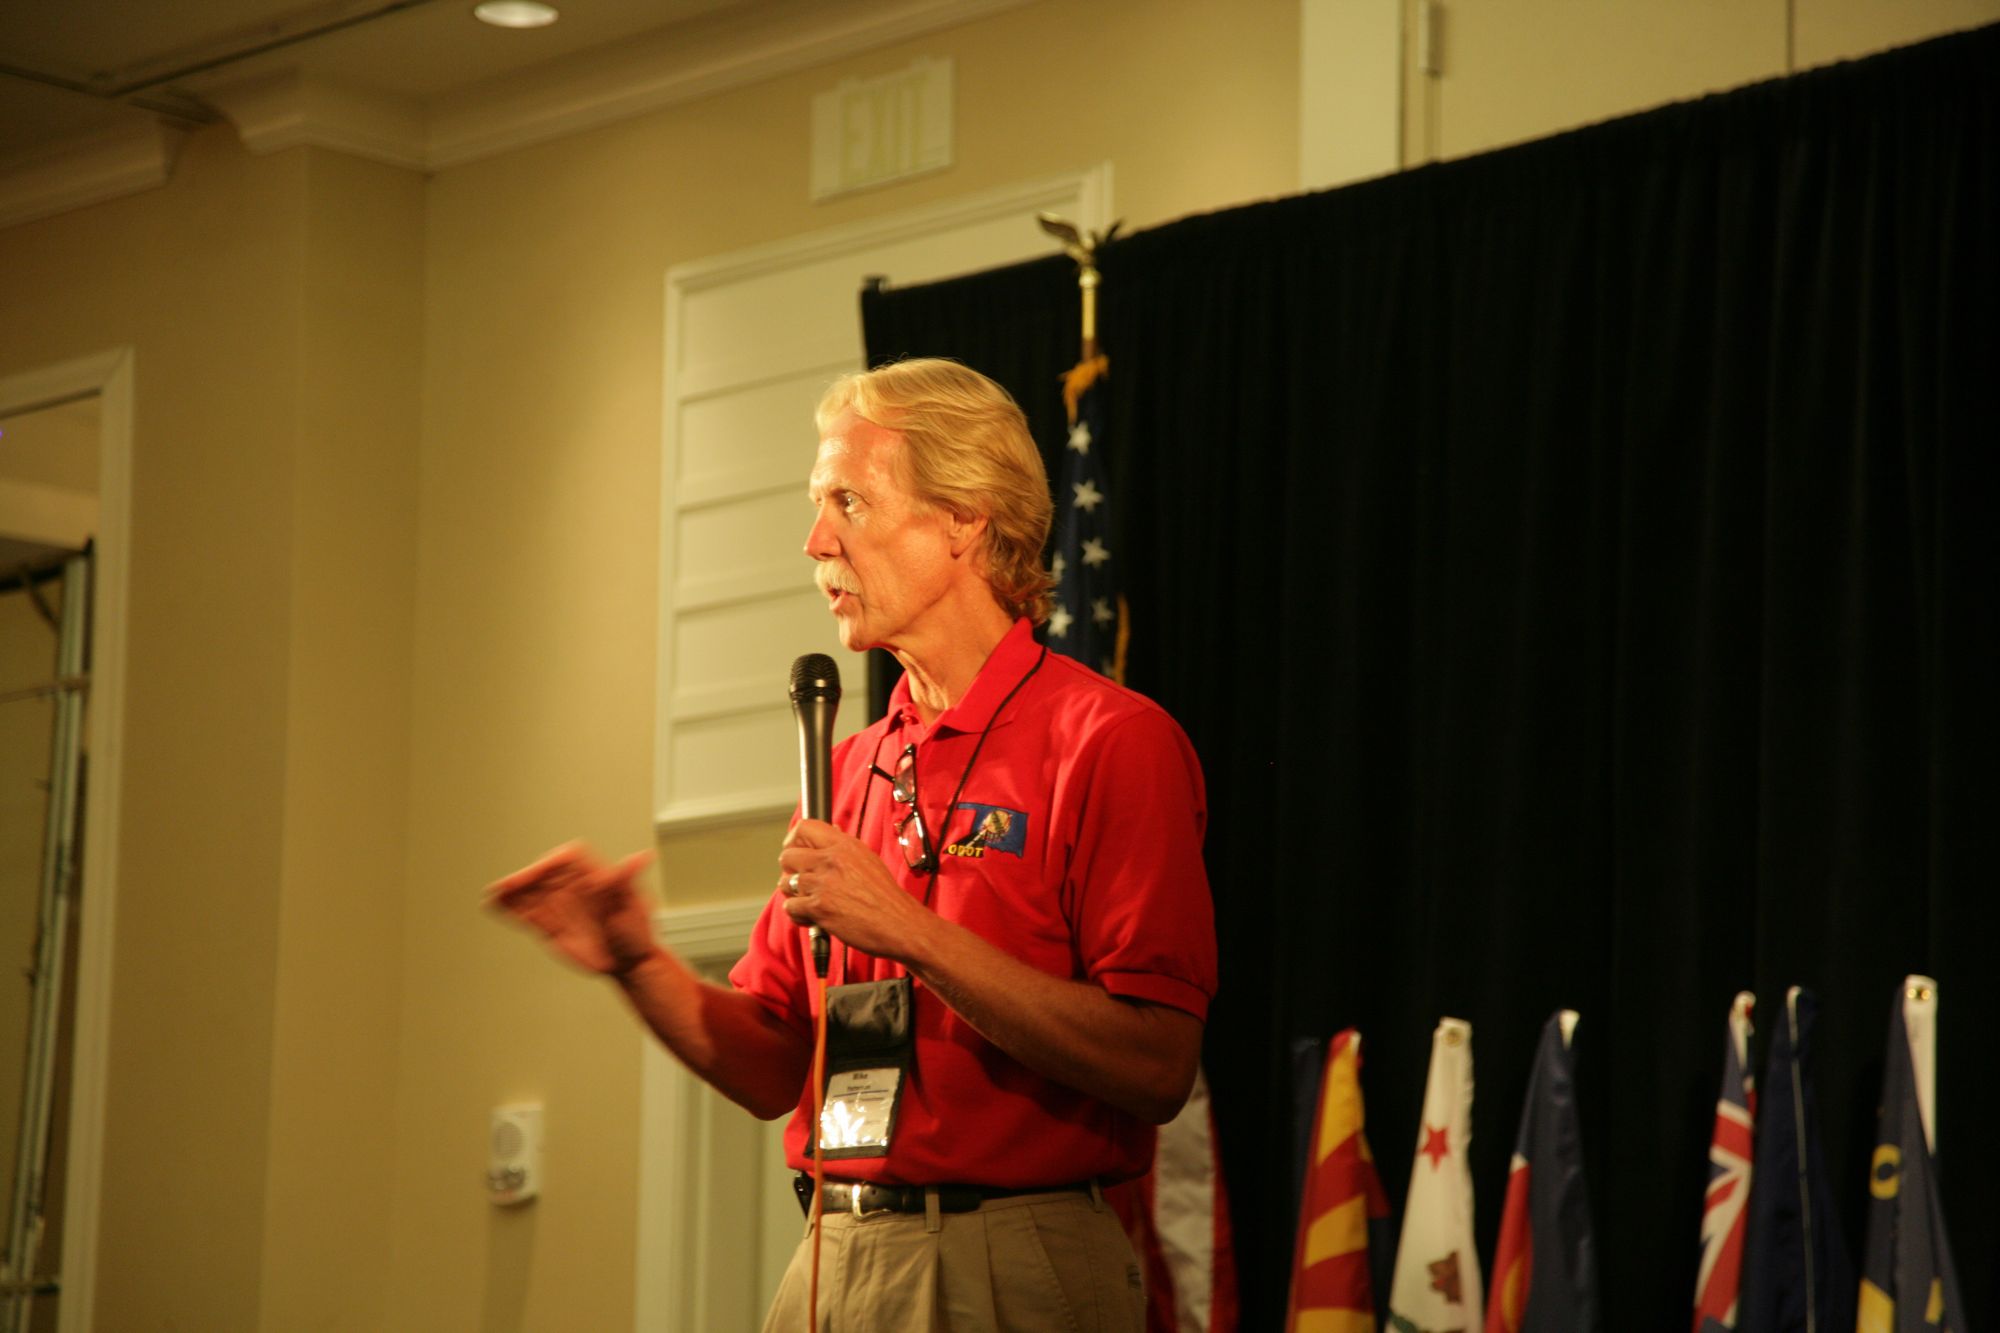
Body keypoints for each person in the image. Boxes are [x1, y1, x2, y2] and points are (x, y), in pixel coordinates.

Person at [487, 358, 1216, 1331]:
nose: (814, 540)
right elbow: (772, 1065)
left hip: (1010, 1258)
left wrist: (907, 929)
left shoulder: (1110, 742)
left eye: (848, 502)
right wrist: (635, 960)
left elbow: (1157, 1065)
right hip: (834, 1255)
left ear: (963, 519)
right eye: (816, 505)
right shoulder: (849, 768)